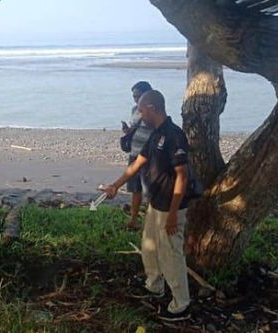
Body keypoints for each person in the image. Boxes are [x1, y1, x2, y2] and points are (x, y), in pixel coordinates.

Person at [104, 90, 192, 322]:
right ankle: (154, 285)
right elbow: (137, 164)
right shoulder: (155, 135)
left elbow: (182, 176)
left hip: (170, 207)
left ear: (152, 108)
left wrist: (173, 214)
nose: (140, 114)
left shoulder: (174, 136)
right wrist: (115, 185)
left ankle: (181, 304)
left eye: (142, 110)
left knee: (171, 254)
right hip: (155, 204)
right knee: (150, 248)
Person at [121, 81, 153, 230]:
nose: (136, 100)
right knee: (135, 189)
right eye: (134, 97)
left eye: (138, 96)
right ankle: (133, 219)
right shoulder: (135, 109)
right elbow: (133, 127)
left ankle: (149, 221)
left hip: (149, 155)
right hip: (135, 152)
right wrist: (127, 130)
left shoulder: (152, 110)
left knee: (149, 190)